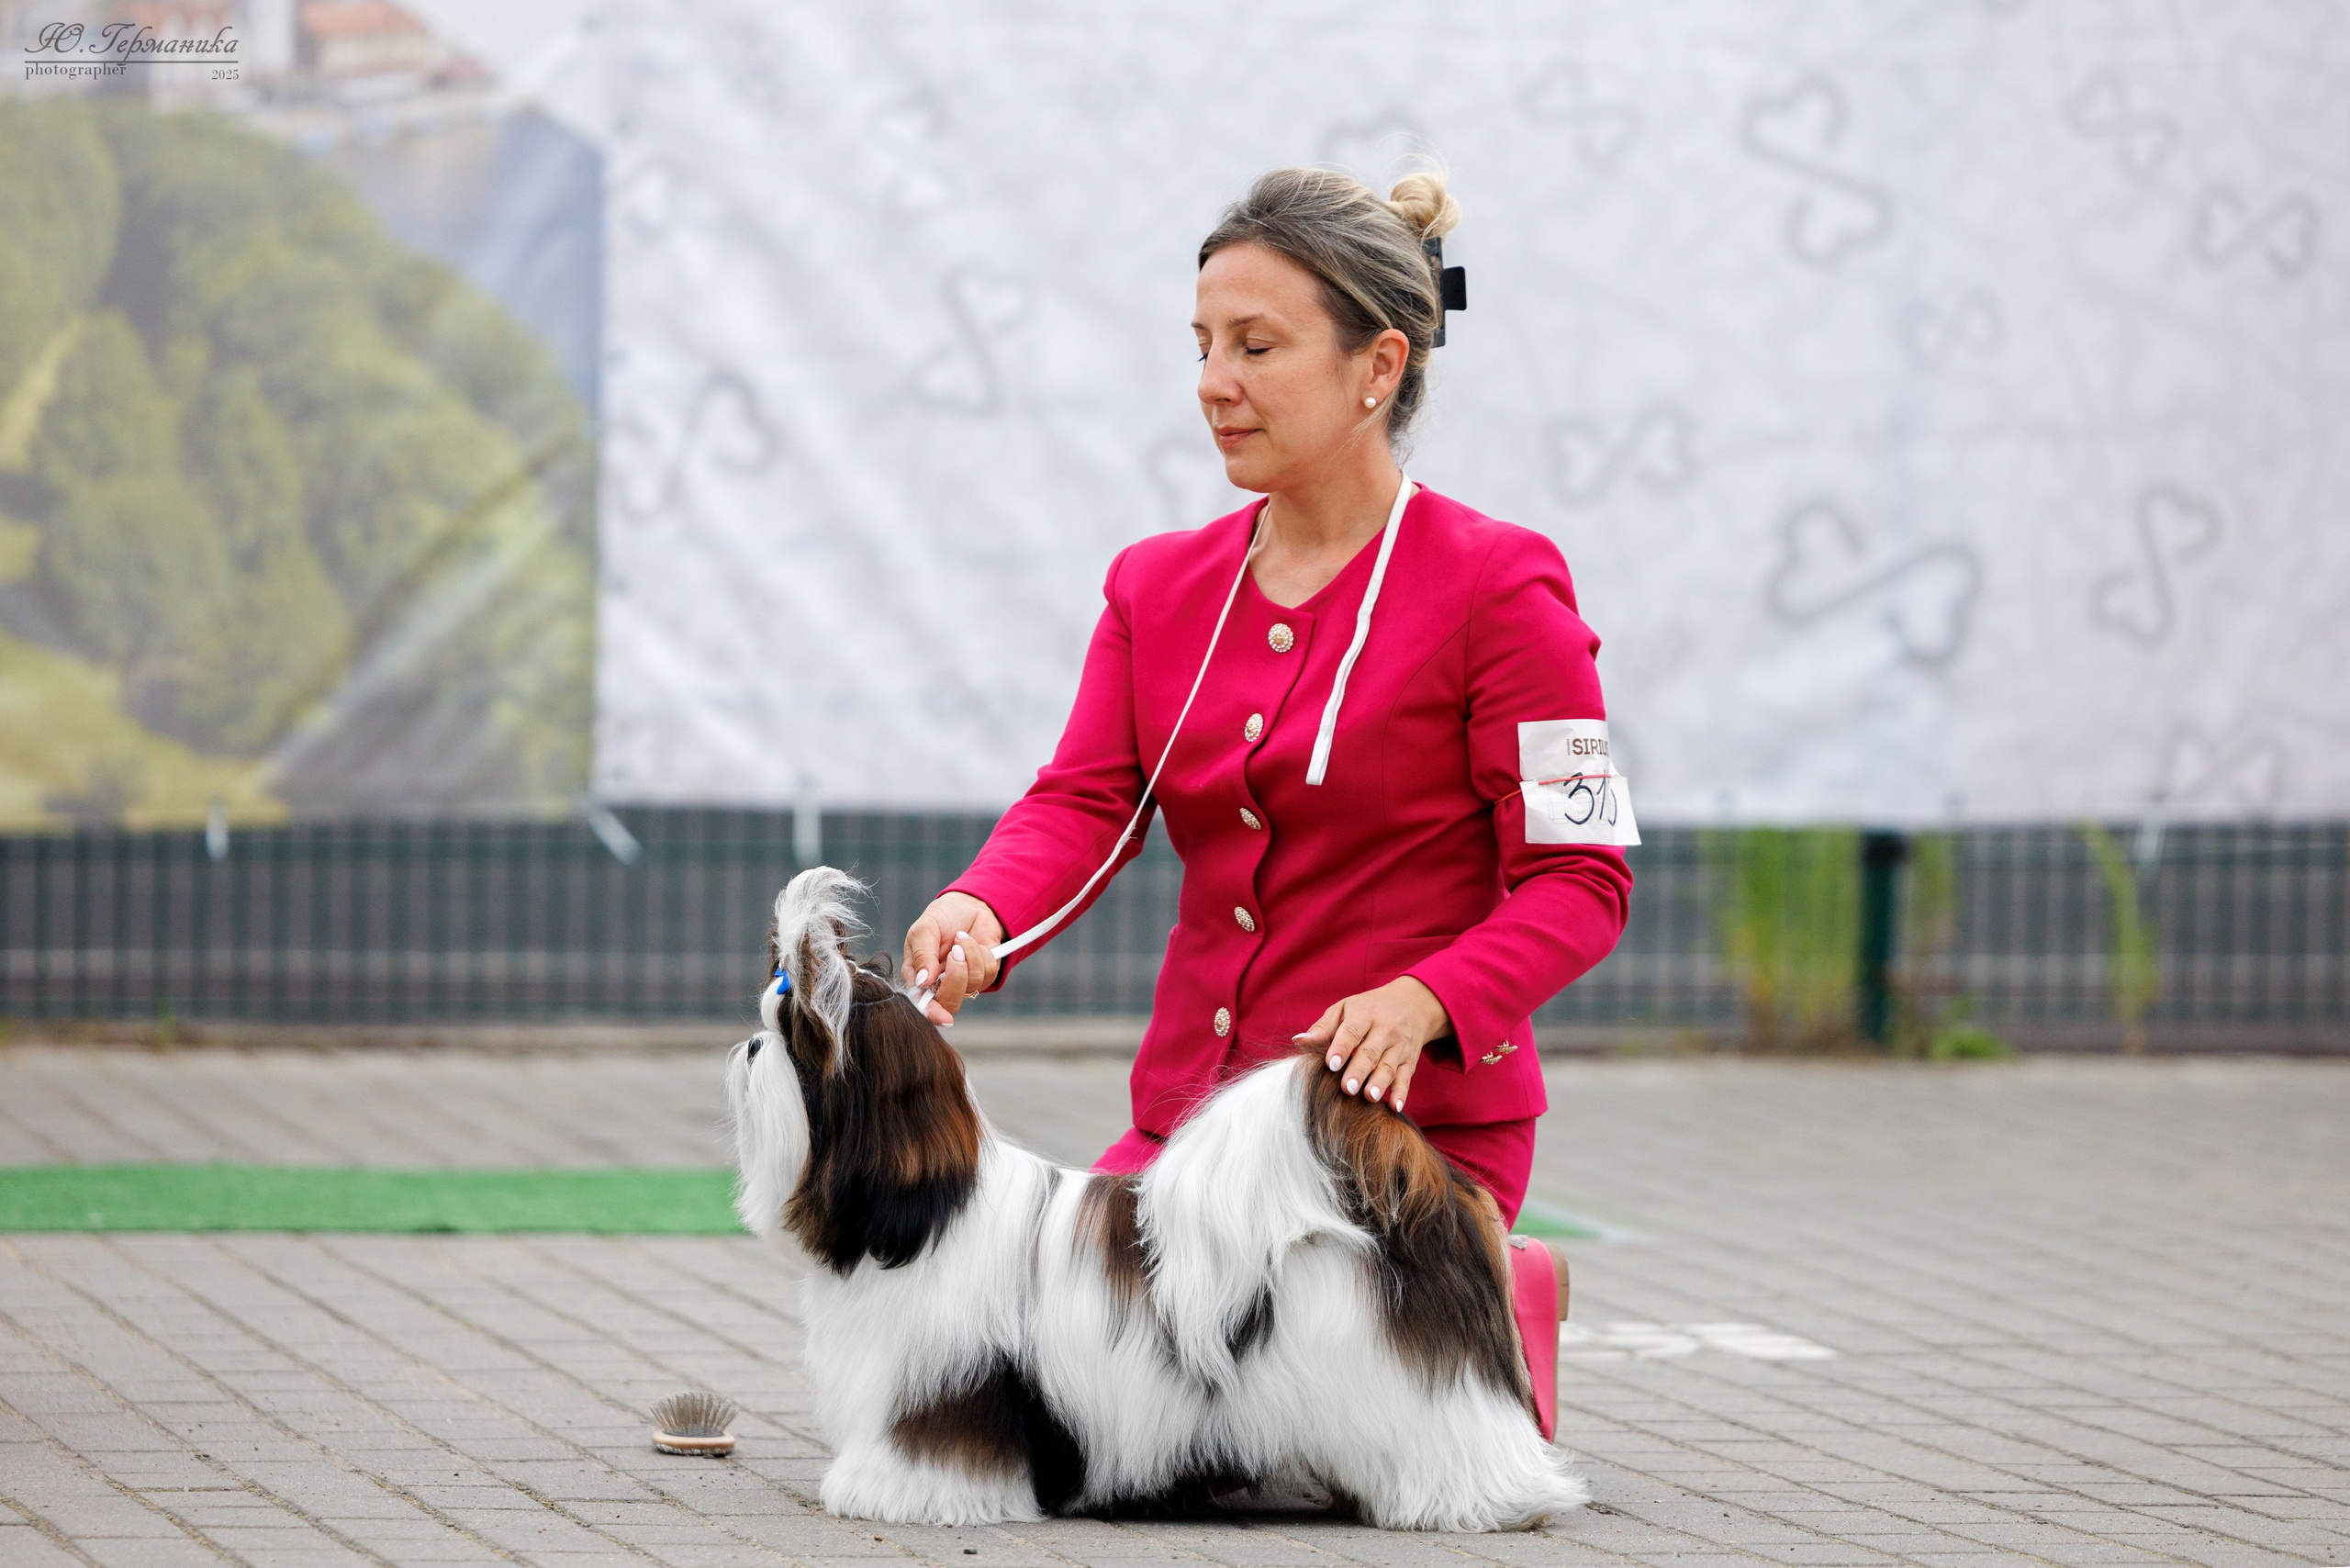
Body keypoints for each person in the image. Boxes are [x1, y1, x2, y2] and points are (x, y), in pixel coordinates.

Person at [900, 166, 1633, 1440]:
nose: (1212, 383)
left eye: (1256, 346)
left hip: (1404, 1145)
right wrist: (980, 907)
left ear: (1377, 366)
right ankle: (1454, 1338)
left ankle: (1489, 1285)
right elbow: (1083, 799)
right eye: (1200, 346)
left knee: (1251, 1447)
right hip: (1189, 1141)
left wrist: (1432, 999)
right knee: (1054, 1429)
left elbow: (1584, 883)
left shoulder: (1507, 586)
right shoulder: (1154, 584)